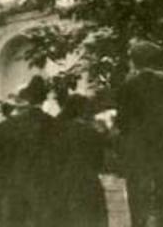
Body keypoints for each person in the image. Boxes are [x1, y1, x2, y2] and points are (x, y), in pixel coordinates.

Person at [116, 40, 163, 227]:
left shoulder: (127, 84)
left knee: (140, 193)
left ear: (135, 61)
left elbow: (123, 120)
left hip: (139, 146)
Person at [0, 75, 58, 227]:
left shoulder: (12, 123)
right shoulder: (53, 123)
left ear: (28, 97)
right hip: (44, 179)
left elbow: (1, 148)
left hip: (17, 177)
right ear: (44, 99)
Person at [55, 93, 109, 227]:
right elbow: (100, 162)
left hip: (62, 183)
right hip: (87, 181)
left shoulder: (57, 130)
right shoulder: (89, 132)